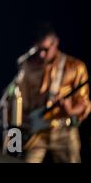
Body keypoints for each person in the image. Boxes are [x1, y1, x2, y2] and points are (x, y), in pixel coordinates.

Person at [13, 24, 90, 163]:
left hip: (63, 131)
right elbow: (18, 98)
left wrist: (70, 109)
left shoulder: (75, 66)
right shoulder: (28, 66)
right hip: (36, 131)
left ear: (56, 43)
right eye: (38, 50)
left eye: (46, 50)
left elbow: (83, 102)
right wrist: (22, 120)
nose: (42, 54)